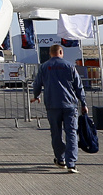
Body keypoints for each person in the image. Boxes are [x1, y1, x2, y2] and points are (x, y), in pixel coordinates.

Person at [31, 44, 88, 173]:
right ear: (61, 52)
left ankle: (60, 158)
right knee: (71, 132)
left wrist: (36, 95)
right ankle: (71, 163)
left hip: (52, 105)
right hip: (69, 104)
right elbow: (78, 86)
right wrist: (83, 103)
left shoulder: (44, 67)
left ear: (50, 53)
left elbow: (37, 84)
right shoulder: (69, 66)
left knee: (56, 133)